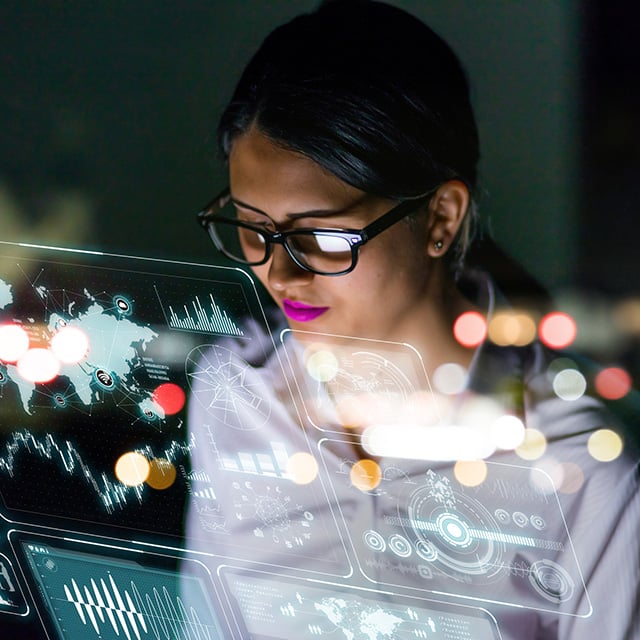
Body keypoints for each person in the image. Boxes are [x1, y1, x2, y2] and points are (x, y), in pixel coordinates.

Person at [183, 2, 640, 638]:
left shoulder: (577, 469)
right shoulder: (234, 393)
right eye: (248, 227)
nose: (279, 276)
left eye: (321, 236)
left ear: (440, 218)